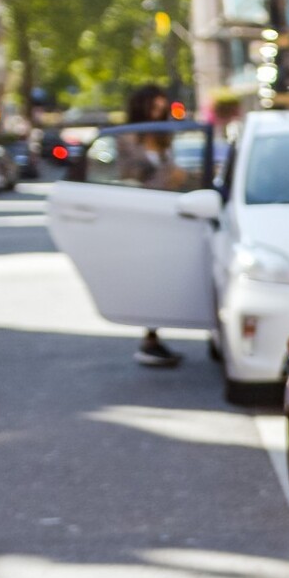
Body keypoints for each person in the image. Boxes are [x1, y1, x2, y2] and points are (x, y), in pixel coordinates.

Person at [120, 83, 184, 369]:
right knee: (150, 274)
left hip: (170, 209)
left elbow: (170, 168)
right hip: (142, 211)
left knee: (170, 273)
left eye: (162, 108)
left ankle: (156, 335)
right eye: (153, 107)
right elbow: (126, 174)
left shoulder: (163, 138)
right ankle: (150, 336)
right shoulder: (127, 138)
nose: (158, 113)